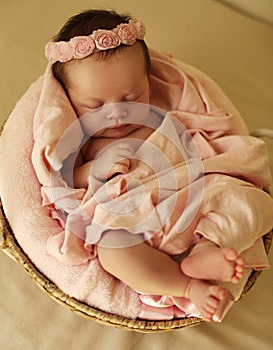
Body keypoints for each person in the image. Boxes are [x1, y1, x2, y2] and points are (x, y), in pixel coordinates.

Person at [46, 9, 246, 322]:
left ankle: (206, 249)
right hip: (135, 224)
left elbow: (205, 147)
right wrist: (97, 167)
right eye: (94, 106)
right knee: (113, 251)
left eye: (132, 95)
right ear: (68, 100)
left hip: (190, 196)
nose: (117, 113)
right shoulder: (85, 143)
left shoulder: (162, 112)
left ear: (148, 81)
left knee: (241, 199)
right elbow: (66, 180)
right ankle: (187, 285)